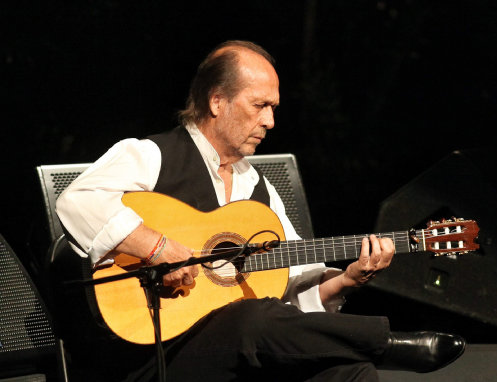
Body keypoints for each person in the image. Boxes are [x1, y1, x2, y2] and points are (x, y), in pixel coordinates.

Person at [56, 40, 465, 382]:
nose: (270, 120)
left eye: (274, 108)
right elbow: (76, 202)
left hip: (233, 352)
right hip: (146, 355)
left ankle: (367, 351)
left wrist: (346, 281)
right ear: (217, 101)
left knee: (348, 371)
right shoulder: (151, 156)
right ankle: (386, 342)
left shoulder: (259, 188)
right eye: (260, 105)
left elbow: (288, 291)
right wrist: (158, 246)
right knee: (251, 319)